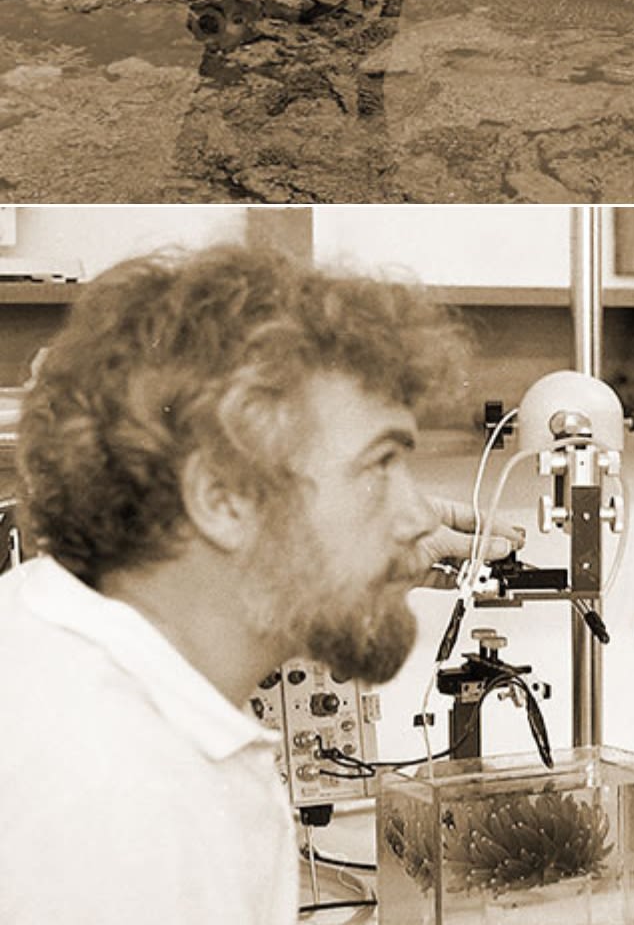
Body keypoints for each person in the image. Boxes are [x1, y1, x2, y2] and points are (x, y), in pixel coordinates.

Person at [0, 246, 521, 925]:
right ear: (223, 498)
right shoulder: (110, 799)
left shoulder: (61, 653)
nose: (419, 516)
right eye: (379, 464)